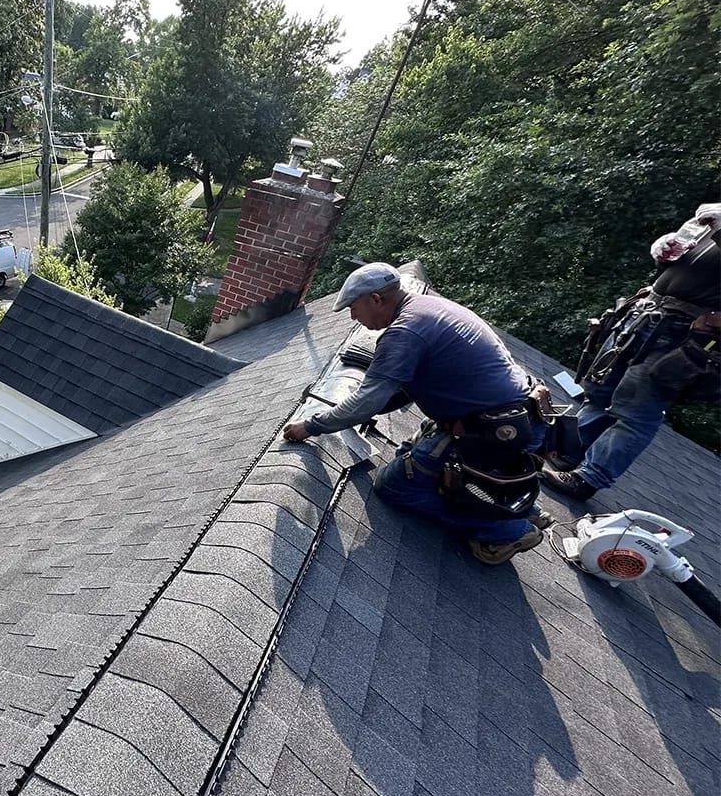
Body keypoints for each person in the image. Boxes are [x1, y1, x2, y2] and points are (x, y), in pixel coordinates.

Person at [283, 262, 548, 564]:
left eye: (353, 308)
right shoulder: (428, 308)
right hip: (519, 420)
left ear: (376, 299)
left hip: (493, 434)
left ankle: (509, 530)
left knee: (393, 486)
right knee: (411, 449)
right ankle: (525, 508)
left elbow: (367, 400)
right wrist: (358, 411)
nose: (353, 317)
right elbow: (401, 390)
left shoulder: (405, 332)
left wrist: (311, 426)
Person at [542, 203, 721, 501]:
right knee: (599, 392)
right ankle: (567, 452)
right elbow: (679, 257)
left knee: (636, 412)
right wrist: (665, 248)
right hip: (647, 315)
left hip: (683, 332)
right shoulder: (712, 219)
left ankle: (588, 478)